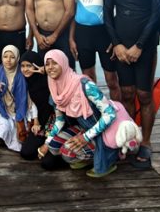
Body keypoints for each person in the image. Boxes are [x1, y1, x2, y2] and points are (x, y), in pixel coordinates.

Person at [103, 0, 160, 169]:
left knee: (145, 95)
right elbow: (108, 13)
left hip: (144, 47)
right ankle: (130, 138)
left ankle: (146, 142)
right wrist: (117, 43)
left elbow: (157, 13)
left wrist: (140, 45)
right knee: (126, 93)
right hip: (121, 46)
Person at [36, 49, 119, 178]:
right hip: (83, 128)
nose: (50, 67)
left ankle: (109, 158)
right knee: (53, 146)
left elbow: (110, 114)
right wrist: (46, 143)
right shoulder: (55, 88)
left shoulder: (85, 85)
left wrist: (85, 137)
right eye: (47, 64)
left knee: (67, 152)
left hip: (102, 132)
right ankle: (87, 158)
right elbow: (59, 120)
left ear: (63, 63)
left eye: (54, 63)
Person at [69, 0, 120, 99]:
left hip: (105, 33)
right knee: (89, 81)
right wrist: (71, 38)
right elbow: (73, 10)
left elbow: (118, 9)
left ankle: (119, 116)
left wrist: (115, 38)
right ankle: (97, 115)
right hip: (83, 34)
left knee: (112, 80)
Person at [17, 51, 69, 170]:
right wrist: (36, 121)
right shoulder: (29, 83)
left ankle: (65, 154)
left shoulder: (50, 80)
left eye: (29, 66)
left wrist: (45, 71)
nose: (25, 69)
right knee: (26, 153)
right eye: (23, 66)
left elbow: (62, 73)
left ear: (37, 65)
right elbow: (34, 104)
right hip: (41, 123)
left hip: (58, 123)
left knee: (48, 164)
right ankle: (47, 145)